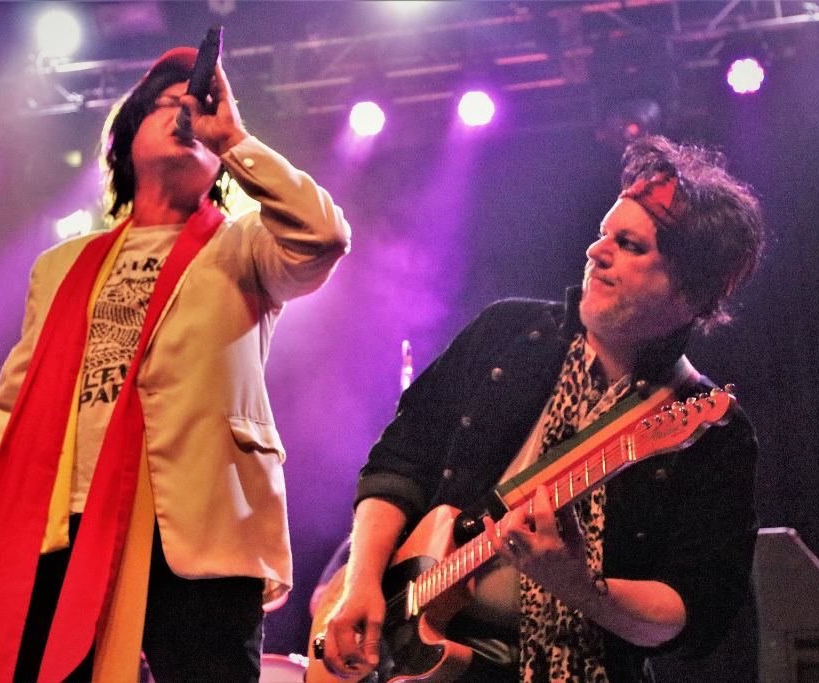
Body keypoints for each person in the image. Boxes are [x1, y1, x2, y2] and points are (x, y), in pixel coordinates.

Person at [0, 47, 350, 682]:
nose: (187, 117)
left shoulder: (245, 244)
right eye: (169, 105)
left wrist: (235, 139)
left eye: (199, 109)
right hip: (67, 524)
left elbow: (324, 236)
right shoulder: (61, 265)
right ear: (125, 139)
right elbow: (11, 403)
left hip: (201, 523)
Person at [322, 136, 763, 682]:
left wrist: (579, 587)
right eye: (603, 233)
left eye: (629, 245)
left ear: (688, 291)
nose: (596, 251)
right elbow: (400, 460)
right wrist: (362, 582)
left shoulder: (712, 429)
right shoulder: (506, 333)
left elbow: (696, 614)